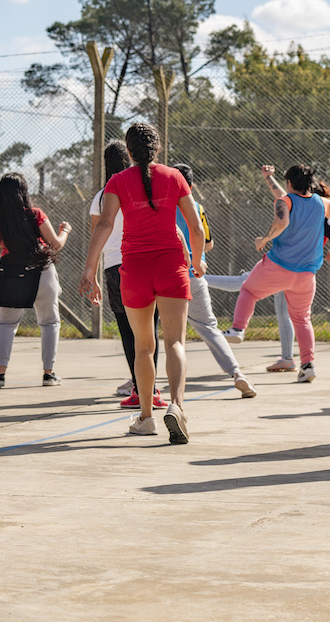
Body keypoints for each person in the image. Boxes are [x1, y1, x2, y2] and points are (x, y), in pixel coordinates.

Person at [80, 122, 207, 445]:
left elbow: (105, 224)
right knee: (175, 343)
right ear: (158, 149)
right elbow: (194, 226)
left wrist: (89, 269)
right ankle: (177, 407)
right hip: (171, 265)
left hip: (134, 269)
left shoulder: (117, 181)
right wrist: (196, 260)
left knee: (143, 346)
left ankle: (147, 417)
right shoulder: (174, 177)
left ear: (129, 150)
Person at [207, 165, 330, 372]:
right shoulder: (322, 205)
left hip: (279, 266)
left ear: (290, 183)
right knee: (301, 318)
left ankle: (237, 328)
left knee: (248, 290)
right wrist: (268, 178)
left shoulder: (287, 201)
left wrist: (264, 239)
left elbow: (282, 220)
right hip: (306, 275)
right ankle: (307, 365)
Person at [89, 140, 164, 409]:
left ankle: (138, 388)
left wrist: (92, 271)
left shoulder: (101, 196)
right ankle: (151, 390)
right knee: (150, 329)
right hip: (145, 261)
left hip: (113, 267)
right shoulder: (144, 188)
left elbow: (96, 235)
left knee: (126, 330)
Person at [171, 163, 256, 399]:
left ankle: (137, 382)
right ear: (192, 185)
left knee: (155, 331)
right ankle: (237, 373)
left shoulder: (163, 207)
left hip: (169, 278)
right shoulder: (197, 207)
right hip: (196, 276)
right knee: (209, 327)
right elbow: (207, 243)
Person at [0, 172, 70, 387]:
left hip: (12, 272)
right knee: (50, 322)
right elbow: (55, 245)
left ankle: (0, 374)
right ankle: (48, 374)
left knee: (6, 323)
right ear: (23, 192)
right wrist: (65, 232)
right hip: (41, 270)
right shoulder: (36, 214)